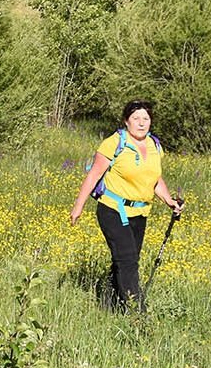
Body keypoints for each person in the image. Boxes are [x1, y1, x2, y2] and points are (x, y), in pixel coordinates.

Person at [69, 100, 183, 312]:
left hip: (140, 211)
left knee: (124, 260)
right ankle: (137, 314)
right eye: (136, 119)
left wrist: (169, 200)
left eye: (146, 119)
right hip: (113, 209)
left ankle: (111, 304)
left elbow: (155, 178)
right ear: (126, 121)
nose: (141, 123)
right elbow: (93, 175)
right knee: (128, 260)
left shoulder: (154, 145)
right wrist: (78, 206)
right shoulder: (114, 143)